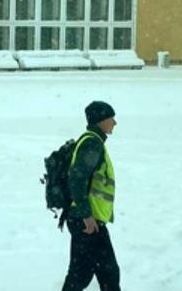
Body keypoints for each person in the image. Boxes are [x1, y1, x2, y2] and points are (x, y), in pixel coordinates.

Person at [62, 101, 120, 291]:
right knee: (104, 273)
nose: (114, 122)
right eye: (111, 118)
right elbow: (77, 180)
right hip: (87, 221)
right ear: (101, 120)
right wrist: (86, 215)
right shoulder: (92, 144)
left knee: (87, 272)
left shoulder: (93, 141)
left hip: (87, 219)